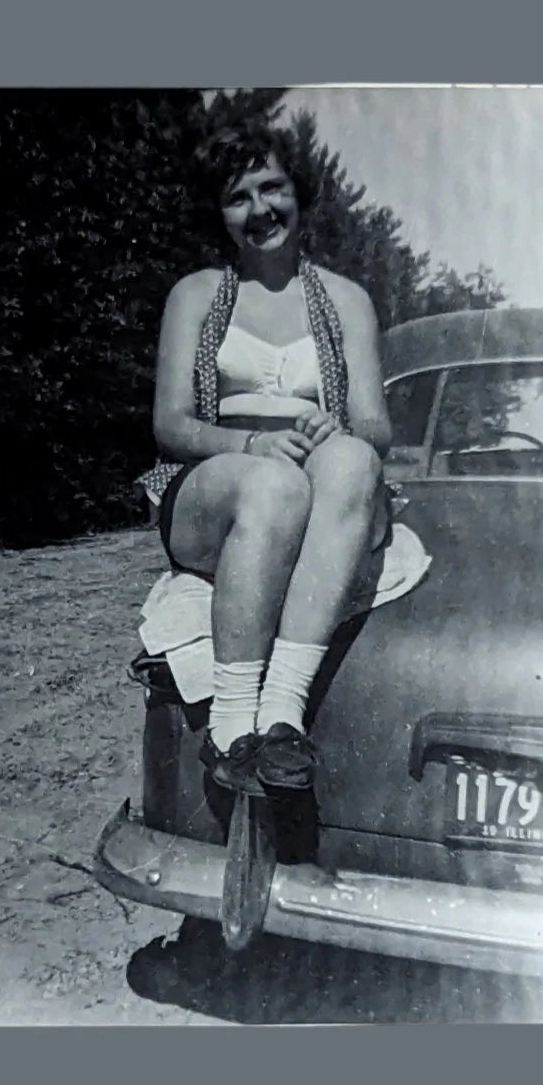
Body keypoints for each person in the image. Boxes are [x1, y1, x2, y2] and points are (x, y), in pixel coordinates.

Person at [138, 121, 393, 798]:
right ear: (220, 215)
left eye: (272, 186)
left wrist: (338, 424)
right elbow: (168, 425)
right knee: (273, 485)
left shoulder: (344, 300)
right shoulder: (196, 295)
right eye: (238, 197)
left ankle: (280, 715)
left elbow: (375, 424)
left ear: (298, 193)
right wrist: (249, 445)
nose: (260, 210)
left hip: (314, 476)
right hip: (216, 485)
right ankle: (228, 728)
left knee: (353, 464)